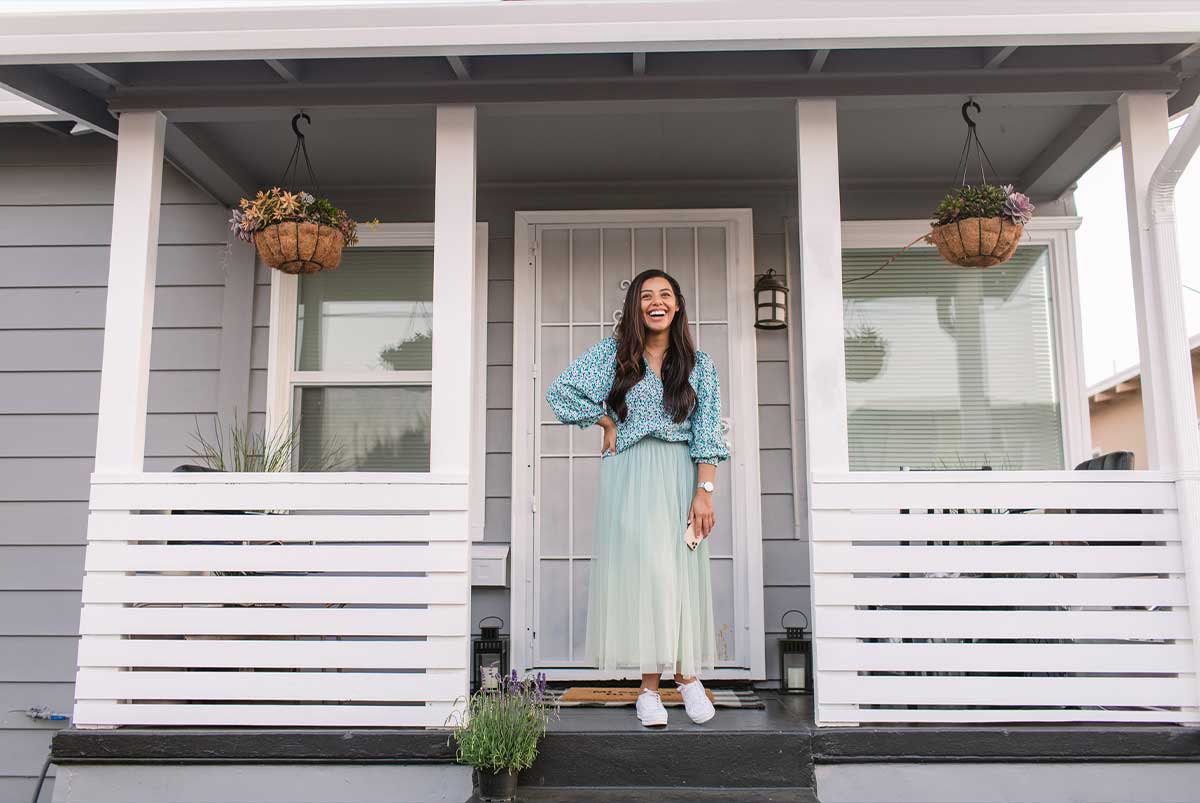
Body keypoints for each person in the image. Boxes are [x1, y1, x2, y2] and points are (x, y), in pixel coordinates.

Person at [545, 268, 729, 728]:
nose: (656, 302)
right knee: (649, 575)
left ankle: (688, 679)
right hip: (628, 474)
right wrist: (605, 421)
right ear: (636, 307)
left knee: (681, 572)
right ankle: (649, 690)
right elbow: (560, 392)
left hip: (678, 470)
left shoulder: (699, 364)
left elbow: (708, 431)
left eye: (665, 294)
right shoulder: (614, 355)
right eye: (646, 296)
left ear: (678, 305)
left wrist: (704, 492)